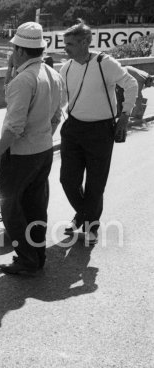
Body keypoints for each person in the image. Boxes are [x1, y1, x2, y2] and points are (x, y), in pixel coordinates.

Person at [0, 22, 64, 276]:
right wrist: (42, 138)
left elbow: (14, 128)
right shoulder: (53, 75)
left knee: (11, 209)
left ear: (20, 50)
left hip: (20, 156)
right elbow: (56, 117)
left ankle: (27, 258)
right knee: (35, 205)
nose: (11, 53)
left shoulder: (24, 80)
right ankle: (37, 254)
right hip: (43, 151)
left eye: (13, 49)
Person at [59, 20, 137, 245]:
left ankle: (89, 226)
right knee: (68, 180)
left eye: (71, 44)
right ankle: (83, 216)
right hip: (73, 128)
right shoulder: (66, 67)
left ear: (85, 42)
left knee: (96, 183)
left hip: (101, 130)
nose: (66, 49)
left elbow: (130, 84)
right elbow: (65, 99)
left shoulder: (105, 63)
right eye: (65, 44)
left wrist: (124, 116)